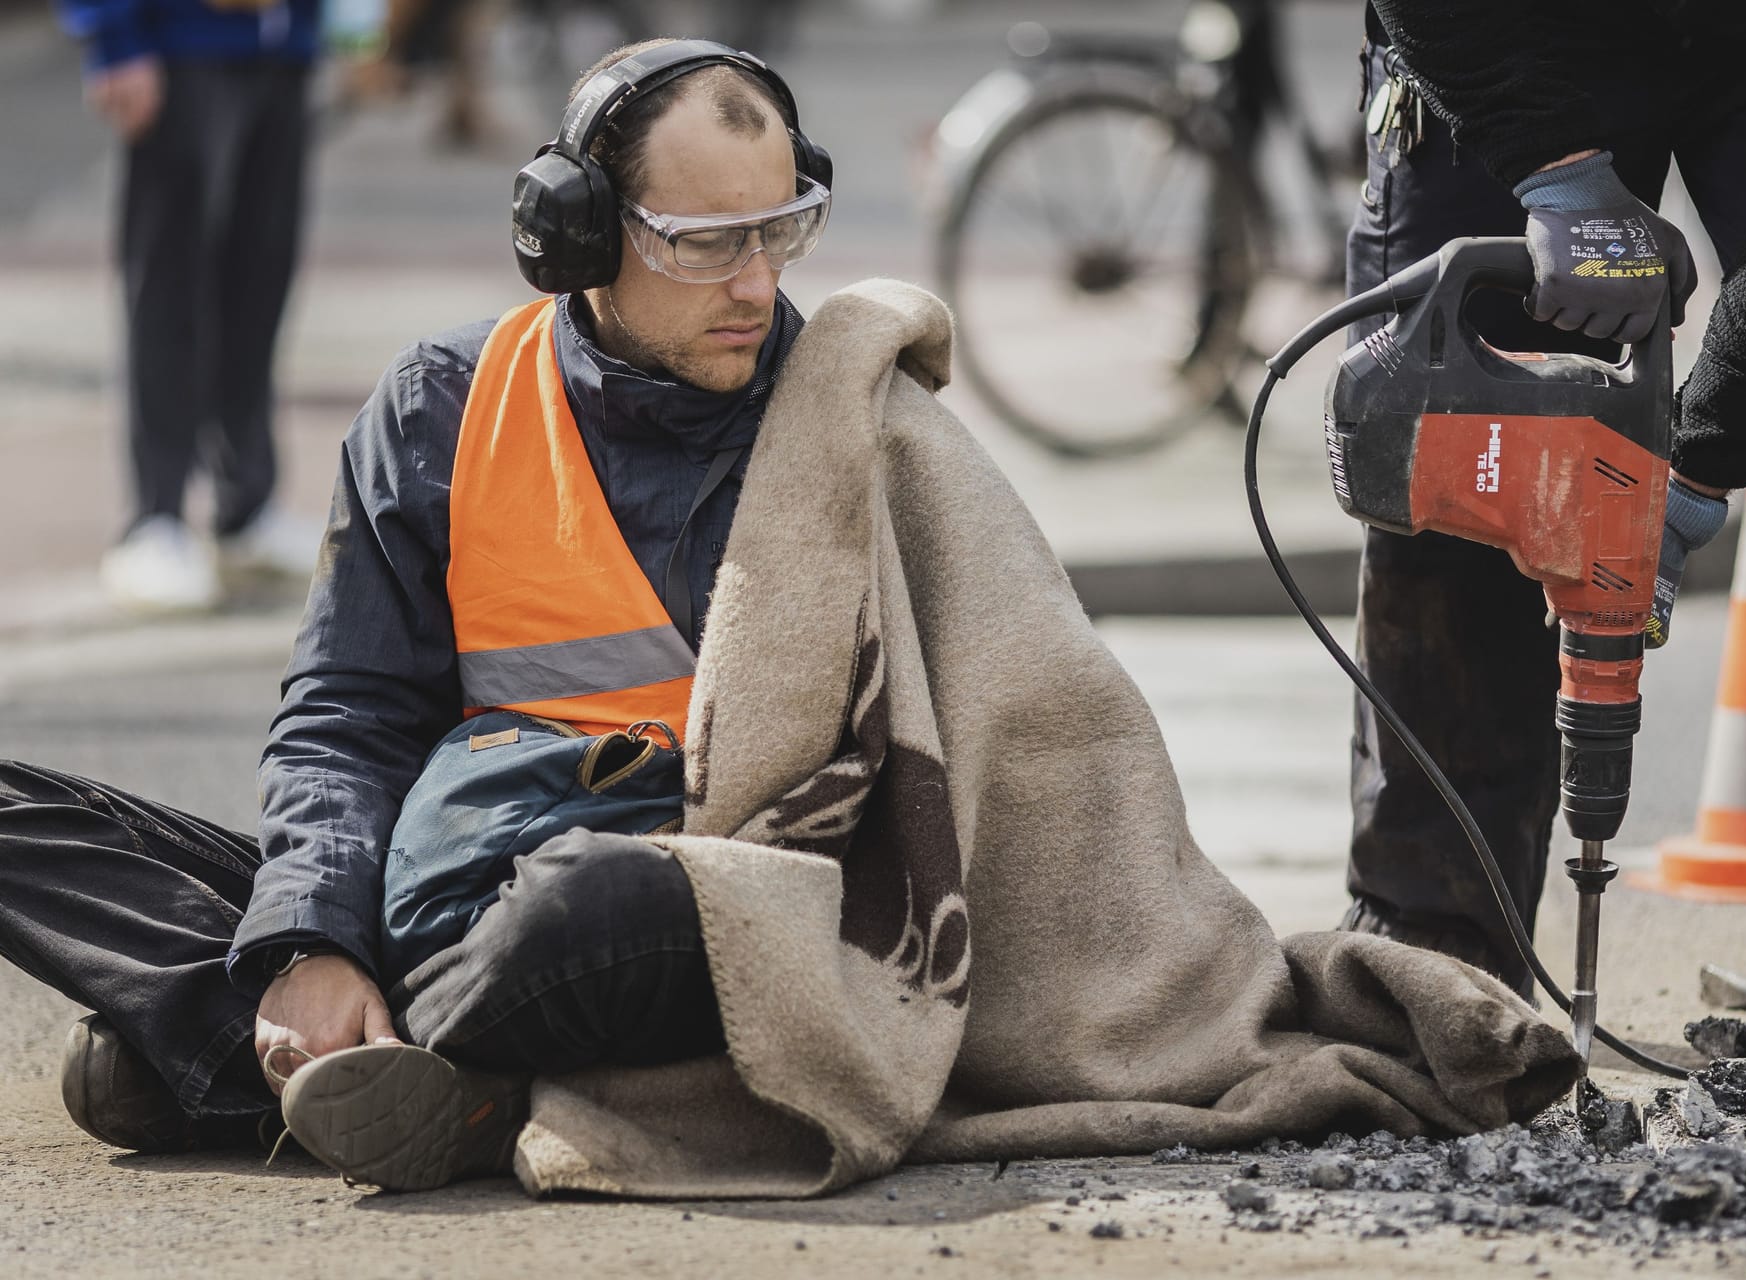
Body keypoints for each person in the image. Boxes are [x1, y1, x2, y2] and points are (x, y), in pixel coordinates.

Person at [0, 38, 1583, 1199]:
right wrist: (309, 936)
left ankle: (265, 1059)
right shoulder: (440, 407)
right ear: (576, 238)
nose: (755, 286)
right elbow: (344, 716)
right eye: (700, 244)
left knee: (578, 920)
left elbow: (1036, 731)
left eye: (781, 230)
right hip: (441, 879)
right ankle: (350, 1054)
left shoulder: (855, 422)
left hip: (702, 899)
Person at [1334, 2, 1746, 1092]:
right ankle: (1435, 964)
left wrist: (1696, 467)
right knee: (1461, 449)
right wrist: (1547, 159)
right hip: (1506, 27)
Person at [57, 0, 324, 612]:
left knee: (262, 278)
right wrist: (113, 39)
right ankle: (156, 518)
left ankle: (246, 506)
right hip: (178, 42)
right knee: (170, 288)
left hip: (285, 47)